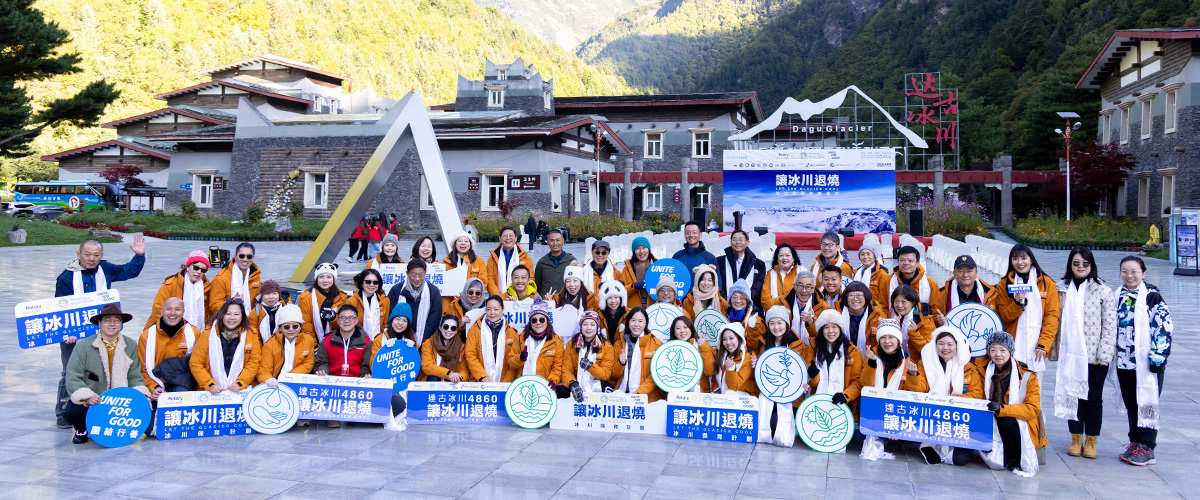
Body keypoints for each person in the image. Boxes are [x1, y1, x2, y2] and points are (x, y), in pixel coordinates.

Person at [54, 237, 145, 428]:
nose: (91, 258)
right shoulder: (66, 278)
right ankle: (63, 412)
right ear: (78, 255)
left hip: (102, 332)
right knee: (70, 371)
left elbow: (128, 271)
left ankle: (97, 404)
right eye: (87, 254)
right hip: (73, 335)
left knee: (101, 369)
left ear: (101, 256)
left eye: (96, 255)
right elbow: (59, 310)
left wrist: (139, 256)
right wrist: (66, 333)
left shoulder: (106, 269)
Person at [1054, 248, 1117, 460]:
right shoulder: (1061, 289)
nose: (1080, 267)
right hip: (1070, 354)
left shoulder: (1103, 291)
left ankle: (1091, 441)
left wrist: (1104, 354)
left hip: (1095, 356)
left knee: (1093, 398)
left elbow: (1110, 325)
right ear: (1070, 265)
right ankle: (1075, 439)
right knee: (1072, 396)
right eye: (1076, 263)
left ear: (1092, 266)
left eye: (1085, 263)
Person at [63, 304, 151, 444]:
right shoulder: (83, 346)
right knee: (73, 410)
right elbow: (73, 375)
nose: (112, 324)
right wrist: (87, 396)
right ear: (99, 323)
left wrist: (142, 396)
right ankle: (81, 430)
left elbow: (135, 375)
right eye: (107, 320)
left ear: (121, 324)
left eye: (116, 320)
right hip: (95, 398)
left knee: (145, 407)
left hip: (120, 401)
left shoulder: (130, 345)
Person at [1113, 256, 1171, 466]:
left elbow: (1163, 328)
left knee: (1146, 402)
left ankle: (1147, 447)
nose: (1129, 276)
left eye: (1134, 272)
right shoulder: (1117, 296)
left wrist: (1157, 357)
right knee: (1131, 403)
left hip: (1147, 362)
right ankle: (1135, 442)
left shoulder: (1152, 296)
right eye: (1125, 271)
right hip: (1124, 361)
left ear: (1143, 273)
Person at [912, 326, 982, 465]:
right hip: (934, 414)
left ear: (957, 346)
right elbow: (919, 390)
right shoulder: (925, 363)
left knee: (960, 460)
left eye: (950, 344)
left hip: (960, 418)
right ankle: (929, 445)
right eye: (941, 344)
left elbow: (977, 394)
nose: (945, 348)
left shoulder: (969, 367)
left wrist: (951, 401)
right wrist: (912, 376)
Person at [980, 331, 1045, 476]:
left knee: (1006, 420)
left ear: (1010, 351)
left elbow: (1032, 409)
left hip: (1018, 420)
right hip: (991, 415)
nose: (998, 354)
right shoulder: (983, 371)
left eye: (1002, 350)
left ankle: (1015, 458)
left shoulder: (1027, 376)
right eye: (993, 350)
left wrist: (1002, 409)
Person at [993, 244, 1060, 373]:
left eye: (1024, 258)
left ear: (1031, 260)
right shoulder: (1004, 284)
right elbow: (1004, 316)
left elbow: (1051, 317)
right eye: (1015, 258)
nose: (1020, 262)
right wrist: (1017, 303)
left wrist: (1043, 344)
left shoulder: (1047, 283)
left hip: (1036, 345)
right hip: (1012, 344)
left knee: (1033, 382)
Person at [859, 320, 921, 461]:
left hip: (897, 410)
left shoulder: (907, 362)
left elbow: (915, 393)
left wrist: (913, 376)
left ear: (898, 340)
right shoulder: (872, 356)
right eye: (883, 337)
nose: (887, 341)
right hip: (876, 406)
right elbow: (865, 385)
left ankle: (894, 436)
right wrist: (871, 364)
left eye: (891, 337)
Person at [758, 306, 812, 447]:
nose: (776, 327)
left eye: (780, 323)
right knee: (769, 422)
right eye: (772, 323)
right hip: (769, 395)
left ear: (786, 323)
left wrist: (806, 383)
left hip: (792, 398)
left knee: (779, 424)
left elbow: (804, 371)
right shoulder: (763, 342)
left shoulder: (799, 345)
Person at [314, 305, 373, 427]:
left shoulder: (366, 342)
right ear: (337, 320)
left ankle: (351, 414)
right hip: (334, 386)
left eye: (351, 318)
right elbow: (321, 362)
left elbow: (366, 365)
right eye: (343, 318)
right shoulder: (327, 341)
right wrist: (322, 370)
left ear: (357, 320)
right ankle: (334, 414)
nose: (347, 321)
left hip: (356, 385)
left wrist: (366, 375)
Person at [190, 299, 261, 395]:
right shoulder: (208, 333)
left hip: (241, 390)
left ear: (242, 316)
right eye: (228, 314)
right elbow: (196, 363)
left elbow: (254, 362)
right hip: (210, 392)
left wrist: (240, 383)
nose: (232, 318)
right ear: (222, 315)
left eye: (236, 314)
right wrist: (209, 384)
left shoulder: (251, 334)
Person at [139, 297, 200, 401]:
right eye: (168, 309)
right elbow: (142, 369)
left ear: (183, 312)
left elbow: (199, 365)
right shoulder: (147, 336)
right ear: (162, 311)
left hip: (183, 382)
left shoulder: (195, 334)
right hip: (155, 381)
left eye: (177, 309)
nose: (173, 313)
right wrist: (154, 388)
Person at [809, 309, 864, 417]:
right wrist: (813, 375)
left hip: (843, 405)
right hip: (817, 403)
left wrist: (845, 396)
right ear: (821, 330)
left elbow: (857, 382)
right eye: (826, 327)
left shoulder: (853, 352)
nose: (830, 331)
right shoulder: (813, 348)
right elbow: (812, 384)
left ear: (840, 328)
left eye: (834, 327)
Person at [145, 250, 211, 330]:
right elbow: (158, 310)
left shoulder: (207, 288)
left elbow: (207, 314)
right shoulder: (171, 284)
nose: (199, 272)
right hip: (167, 329)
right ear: (187, 267)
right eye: (196, 268)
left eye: (203, 270)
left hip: (198, 331)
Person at [508, 298, 563, 389]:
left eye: (542, 320)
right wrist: (520, 358)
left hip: (545, 387)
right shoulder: (520, 338)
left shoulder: (556, 341)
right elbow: (510, 362)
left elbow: (558, 366)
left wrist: (553, 380)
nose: (538, 323)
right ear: (530, 322)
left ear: (547, 321)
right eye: (534, 320)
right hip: (522, 386)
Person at [256, 304, 316, 388]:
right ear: (280, 328)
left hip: (297, 382)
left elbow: (308, 364)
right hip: (274, 385)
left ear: (300, 327)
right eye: (286, 327)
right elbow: (264, 370)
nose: (291, 329)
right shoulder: (270, 344)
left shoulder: (308, 340)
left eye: (295, 326)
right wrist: (269, 379)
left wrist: (288, 378)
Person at [387, 259, 442, 346]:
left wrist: (423, 341)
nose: (417, 279)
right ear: (407, 273)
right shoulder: (396, 290)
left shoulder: (433, 292)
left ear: (425, 274)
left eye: (420, 275)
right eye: (413, 275)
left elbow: (433, 321)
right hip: (398, 340)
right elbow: (390, 316)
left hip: (425, 341)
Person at [464, 295, 519, 382]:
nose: (492, 312)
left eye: (496, 309)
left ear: (502, 310)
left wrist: (504, 383)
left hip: (504, 383)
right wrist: (483, 377)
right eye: (488, 309)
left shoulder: (511, 333)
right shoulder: (474, 330)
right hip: (479, 382)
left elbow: (513, 362)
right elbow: (470, 355)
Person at [562, 311, 614, 400]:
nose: (588, 328)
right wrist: (573, 384)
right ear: (580, 327)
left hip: (597, 385)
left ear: (597, 327)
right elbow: (566, 370)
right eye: (585, 324)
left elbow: (605, 374)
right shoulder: (572, 345)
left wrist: (590, 366)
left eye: (592, 324)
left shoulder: (606, 346)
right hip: (577, 384)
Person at [932, 255, 995, 321]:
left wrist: (990, 314)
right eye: (961, 271)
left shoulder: (990, 294)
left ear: (976, 272)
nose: (965, 275)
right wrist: (938, 320)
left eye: (969, 271)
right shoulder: (943, 295)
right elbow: (934, 317)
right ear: (954, 273)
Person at [830, 281, 883, 357]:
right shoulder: (835, 312)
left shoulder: (877, 315)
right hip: (840, 357)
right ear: (846, 297)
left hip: (870, 358)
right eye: (851, 295)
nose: (855, 299)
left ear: (866, 296)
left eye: (859, 295)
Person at [298, 263, 347, 343]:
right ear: (316, 278)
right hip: (312, 342)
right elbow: (306, 325)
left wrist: (333, 318)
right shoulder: (306, 298)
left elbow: (344, 325)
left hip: (336, 342)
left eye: (329, 277)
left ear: (333, 279)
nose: (325, 280)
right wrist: (314, 345)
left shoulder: (342, 297)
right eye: (321, 277)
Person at [716, 230, 765, 306]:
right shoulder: (720, 262)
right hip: (724, 305)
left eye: (741, 239)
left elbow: (758, 287)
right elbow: (718, 285)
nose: (737, 242)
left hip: (749, 306)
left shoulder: (758, 264)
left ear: (747, 243)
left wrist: (744, 301)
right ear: (730, 242)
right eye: (734, 239)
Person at [208, 242, 261, 312]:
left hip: (249, 317)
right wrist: (232, 302)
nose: (245, 259)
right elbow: (213, 306)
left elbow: (257, 302)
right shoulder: (221, 277)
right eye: (241, 256)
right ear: (235, 257)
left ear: (253, 258)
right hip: (226, 317)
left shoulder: (255, 275)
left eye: (249, 256)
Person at [443, 231, 489, 312]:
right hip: (452, 301)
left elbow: (483, 282)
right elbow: (443, 283)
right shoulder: (446, 261)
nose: (463, 243)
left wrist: (471, 295)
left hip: (472, 301)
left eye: (466, 241)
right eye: (459, 241)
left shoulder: (479, 261)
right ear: (455, 244)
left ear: (470, 245)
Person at [888, 285, 935, 360]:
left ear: (913, 303)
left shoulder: (925, 319)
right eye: (896, 301)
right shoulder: (889, 315)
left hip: (918, 362)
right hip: (895, 360)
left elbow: (928, 349)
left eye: (904, 302)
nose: (899, 305)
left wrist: (914, 334)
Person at [887, 246, 939, 312]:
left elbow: (935, 310)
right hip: (894, 317)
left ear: (917, 263)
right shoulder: (888, 281)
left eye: (910, 261)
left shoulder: (931, 284)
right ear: (898, 262)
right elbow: (883, 306)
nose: (906, 263)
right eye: (902, 260)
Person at [485, 226, 534, 296]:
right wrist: (498, 298)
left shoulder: (525, 258)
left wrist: (519, 296)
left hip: (519, 299)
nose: (508, 238)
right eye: (505, 235)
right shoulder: (492, 259)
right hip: (498, 298)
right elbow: (490, 280)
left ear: (516, 238)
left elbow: (530, 279)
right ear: (500, 238)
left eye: (511, 235)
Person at [610, 307, 649, 393]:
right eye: (633, 320)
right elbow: (613, 375)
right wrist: (620, 363)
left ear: (646, 323)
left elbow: (653, 378)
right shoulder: (619, 343)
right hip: (622, 393)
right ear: (628, 322)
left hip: (644, 395)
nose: (636, 324)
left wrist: (638, 394)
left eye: (640, 321)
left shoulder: (654, 344)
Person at [420, 315, 467, 382]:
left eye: (453, 328)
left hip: (453, 383)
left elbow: (464, 370)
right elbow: (427, 367)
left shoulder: (461, 347)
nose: (449, 330)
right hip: (432, 381)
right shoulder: (428, 343)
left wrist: (459, 377)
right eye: (446, 327)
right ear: (440, 327)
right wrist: (449, 374)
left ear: (456, 330)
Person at [715, 322, 756, 396]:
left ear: (739, 338)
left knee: (729, 393)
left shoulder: (748, 357)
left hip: (746, 396)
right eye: (724, 339)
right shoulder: (721, 354)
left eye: (731, 338)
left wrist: (730, 368)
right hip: (725, 392)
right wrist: (703, 346)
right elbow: (709, 371)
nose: (728, 342)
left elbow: (733, 387)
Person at [348, 268, 390, 340]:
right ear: (361, 283)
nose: (371, 285)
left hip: (378, 341)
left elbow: (385, 324)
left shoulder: (385, 300)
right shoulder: (352, 301)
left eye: (375, 282)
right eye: (368, 282)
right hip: (357, 341)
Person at [726, 279, 765, 352]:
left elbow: (755, 346)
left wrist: (754, 328)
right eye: (735, 297)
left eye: (742, 298)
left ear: (748, 300)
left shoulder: (755, 318)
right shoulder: (726, 314)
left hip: (747, 356)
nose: (738, 301)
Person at [533, 230, 576, 297]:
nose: (555, 243)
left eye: (558, 240)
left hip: (566, 300)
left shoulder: (571, 261)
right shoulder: (542, 263)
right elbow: (538, 286)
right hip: (546, 301)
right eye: (552, 240)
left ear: (563, 241)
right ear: (547, 242)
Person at [620, 236, 657, 309]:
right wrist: (633, 286)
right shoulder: (627, 269)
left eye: (644, 247)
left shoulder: (658, 265)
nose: (641, 251)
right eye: (638, 248)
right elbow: (621, 290)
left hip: (654, 304)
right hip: (634, 306)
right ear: (634, 252)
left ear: (649, 249)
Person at [761, 244, 801, 311]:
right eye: (781, 255)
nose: (784, 258)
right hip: (775, 314)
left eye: (787, 255)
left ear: (793, 258)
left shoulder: (802, 272)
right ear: (777, 259)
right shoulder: (770, 274)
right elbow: (765, 301)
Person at [787, 270, 824, 342]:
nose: (804, 291)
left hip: (811, 347)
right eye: (800, 286)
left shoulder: (822, 306)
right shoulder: (782, 302)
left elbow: (823, 336)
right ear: (795, 286)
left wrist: (810, 322)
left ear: (813, 289)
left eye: (808, 287)